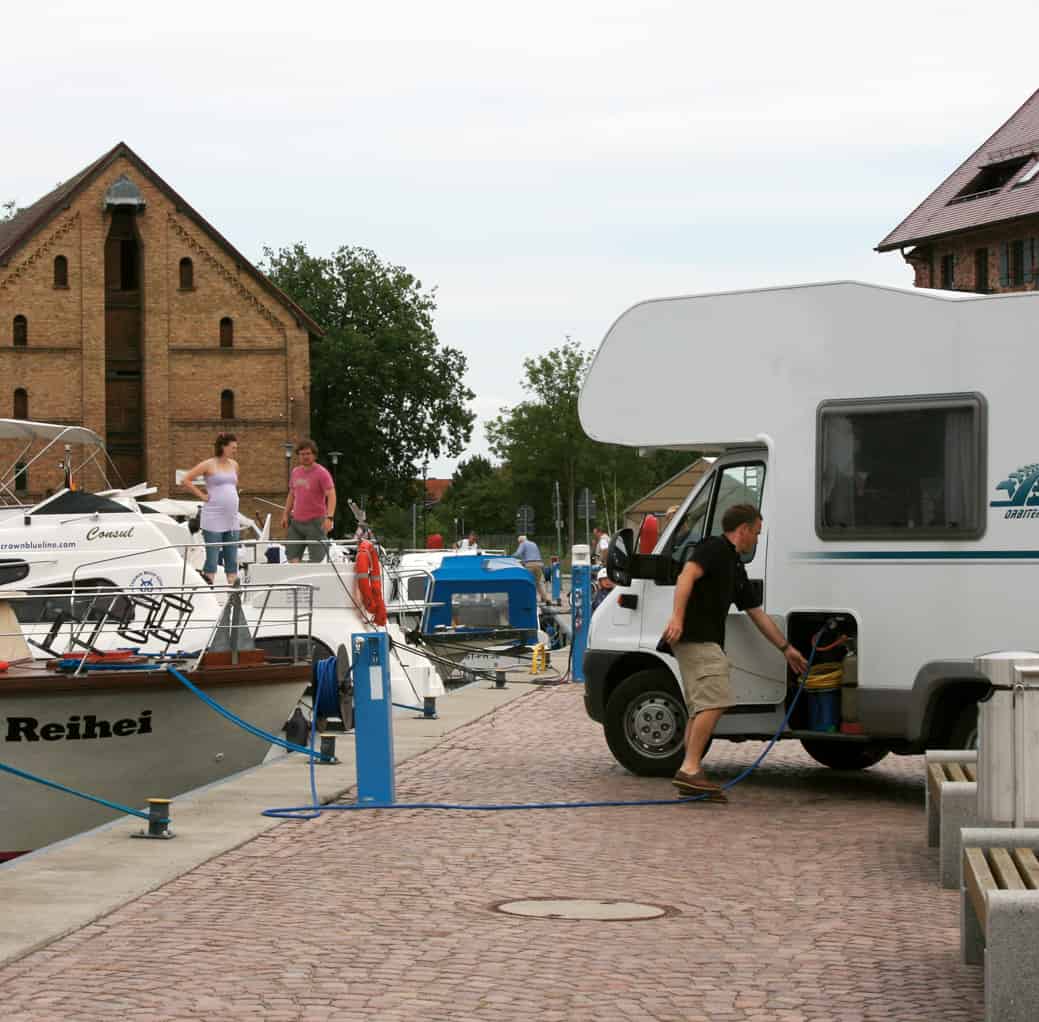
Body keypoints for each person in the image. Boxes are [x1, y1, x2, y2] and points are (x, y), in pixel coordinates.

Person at [661, 503, 808, 801]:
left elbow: (757, 614)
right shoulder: (713, 548)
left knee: (701, 707)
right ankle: (690, 769)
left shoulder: (735, 566)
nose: (757, 538)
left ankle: (690, 771)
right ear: (743, 530)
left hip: (701, 641)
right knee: (717, 700)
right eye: (756, 532)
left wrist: (786, 649)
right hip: (695, 638)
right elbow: (686, 576)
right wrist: (677, 617)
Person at [182, 432, 241, 586]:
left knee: (232, 557)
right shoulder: (209, 464)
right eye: (233, 447)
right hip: (214, 516)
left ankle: (233, 592)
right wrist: (202, 495)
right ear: (223, 446)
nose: (235, 450)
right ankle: (209, 588)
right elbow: (186, 479)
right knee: (212, 557)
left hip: (232, 517)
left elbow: (234, 485)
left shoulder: (234, 465)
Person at [280, 438, 337, 563]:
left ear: (314, 455)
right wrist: (285, 514)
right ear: (298, 456)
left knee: (317, 560)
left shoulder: (322, 473)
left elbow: (331, 495)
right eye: (302, 454)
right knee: (291, 558)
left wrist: (330, 517)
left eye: (308, 454)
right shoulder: (295, 472)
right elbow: (291, 494)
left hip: (316, 523)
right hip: (296, 522)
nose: (305, 457)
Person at [512, 534, 549, 603]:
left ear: (520, 541)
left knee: (529, 582)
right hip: (539, 564)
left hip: (529, 565)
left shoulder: (523, 543)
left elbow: (518, 554)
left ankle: (532, 599)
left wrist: (510, 557)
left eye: (519, 542)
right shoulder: (533, 544)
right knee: (539, 582)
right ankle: (546, 598)